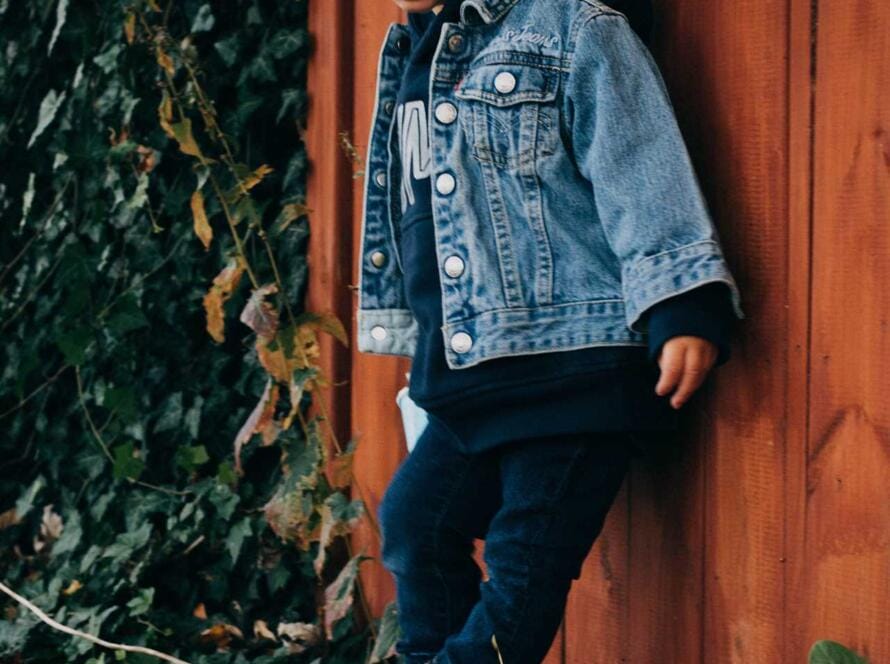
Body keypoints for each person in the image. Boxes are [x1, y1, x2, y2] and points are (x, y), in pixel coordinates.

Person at [355, 1, 745, 661]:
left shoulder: (572, 28)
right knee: (413, 526)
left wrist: (682, 299)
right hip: (471, 383)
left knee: (522, 565)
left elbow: (638, 165)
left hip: (573, 374)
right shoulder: (414, 56)